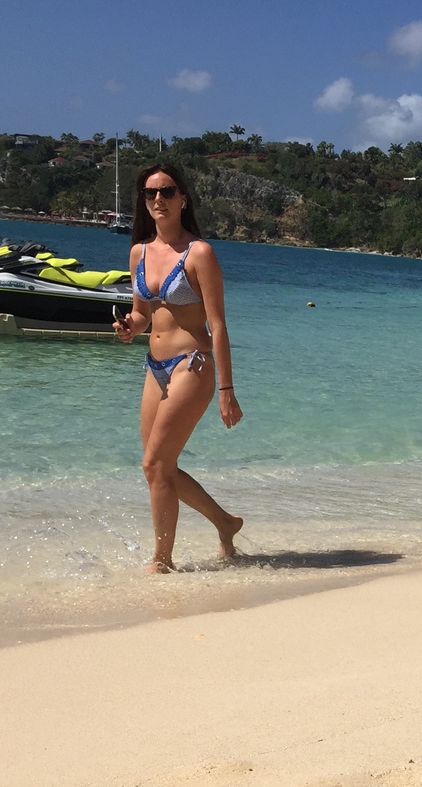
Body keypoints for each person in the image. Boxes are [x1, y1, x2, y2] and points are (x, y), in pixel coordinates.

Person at [113, 162, 243, 573]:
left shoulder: (199, 253)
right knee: (159, 468)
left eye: (167, 191)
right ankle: (225, 522)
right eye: (150, 193)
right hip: (155, 365)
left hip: (194, 364)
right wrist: (129, 327)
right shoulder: (139, 251)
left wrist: (227, 389)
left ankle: (161, 560)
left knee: (154, 464)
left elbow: (218, 325)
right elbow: (142, 314)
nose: (158, 199)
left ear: (183, 199)